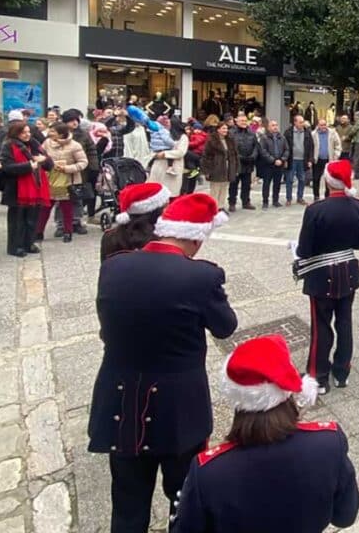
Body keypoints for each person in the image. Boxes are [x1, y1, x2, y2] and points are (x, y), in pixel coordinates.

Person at [88, 193, 237, 533]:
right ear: (196, 238)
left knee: (127, 502)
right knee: (183, 498)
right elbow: (226, 326)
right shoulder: (201, 277)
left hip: (122, 400)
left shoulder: (113, 265)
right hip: (179, 407)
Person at [172, 335, 357, 532]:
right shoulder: (329, 444)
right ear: (288, 391)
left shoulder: (208, 472)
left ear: (237, 399)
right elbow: (345, 516)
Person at [295, 160, 359, 394]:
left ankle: (318, 377)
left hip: (321, 274)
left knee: (320, 325)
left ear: (327, 181)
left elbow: (304, 250)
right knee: (345, 321)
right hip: (348, 272)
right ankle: (342, 372)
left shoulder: (315, 210)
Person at [0, 121, 53, 258]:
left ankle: (29, 242)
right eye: (23, 132)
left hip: (36, 187)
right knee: (17, 220)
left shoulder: (35, 144)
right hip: (17, 188)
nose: (27, 135)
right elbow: (7, 167)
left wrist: (44, 160)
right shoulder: (8, 145)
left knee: (32, 219)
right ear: (15, 133)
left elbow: (49, 164)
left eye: (28, 132)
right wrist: (28, 166)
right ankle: (15, 246)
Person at [39, 123, 88, 243]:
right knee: (45, 207)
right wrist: (46, 164)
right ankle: (38, 232)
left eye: (53, 131)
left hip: (68, 181)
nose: (50, 133)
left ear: (61, 134)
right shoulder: (46, 143)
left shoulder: (74, 145)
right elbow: (40, 157)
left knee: (67, 208)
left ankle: (68, 232)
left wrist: (67, 168)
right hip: (50, 179)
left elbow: (83, 162)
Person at [100, 182, 170, 261]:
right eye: (166, 206)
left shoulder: (109, 236)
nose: (170, 209)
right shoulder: (163, 240)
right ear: (153, 212)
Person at [61, 110, 99, 231]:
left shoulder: (83, 134)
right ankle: (62, 225)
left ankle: (77, 221)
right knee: (62, 198)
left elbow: (92, 151)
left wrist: (94, 167)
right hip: (61, 170)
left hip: (80, 170)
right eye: (71, 120)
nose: (75, 123)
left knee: (78, 196)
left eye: (76, 120)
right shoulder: (59, 133)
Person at [146, 117, 189, 201]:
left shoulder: (183, 137)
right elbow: (153, 148)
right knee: (156, 194)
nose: (166, 126)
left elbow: (180, 152)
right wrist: (154, 155)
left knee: (170, 194)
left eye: (168, 124)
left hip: (173, 169)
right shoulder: (162, 134)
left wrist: (165, 154)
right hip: (159, 166)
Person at [200, 121, 238, 211]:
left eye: (226, 128)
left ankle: (220, 206)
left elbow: (235, 155)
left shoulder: (230, 140)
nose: (225, 130)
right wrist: (207, 171)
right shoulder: (211, 140)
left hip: (227, 167)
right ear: (218, 130)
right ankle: (213, 208)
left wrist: (235, 167)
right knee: (215, 189)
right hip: (215, 168)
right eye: (223, 128)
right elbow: (206, 156)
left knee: (224, 188)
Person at [228, 112, 259, 212]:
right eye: (242, 121)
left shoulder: (251, 133)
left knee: (246, 184)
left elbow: (256, 146)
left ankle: (246, 202)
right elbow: (230, 148)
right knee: (234, 185)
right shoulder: (231, 133)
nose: (244, 122)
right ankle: (232, 203)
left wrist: (253, 156)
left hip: (248, 163)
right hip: (237, 163)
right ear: (236, 121)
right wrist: (239, 157)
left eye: (245, 121)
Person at [257, 120, 289, 208]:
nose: (275, 127)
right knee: (266, 183)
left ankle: (275, 200)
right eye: (273, 125)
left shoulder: (282, 137)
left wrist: (282, 160)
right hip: (268, 165)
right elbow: (263, 151)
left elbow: (287, 150)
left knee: (277, 184)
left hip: (279, 164)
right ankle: (265, 201)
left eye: (276, 125)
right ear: (268, 127)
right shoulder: (264, 138)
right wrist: (273, 160)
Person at [283, 114, 314, 206]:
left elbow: (311, 147)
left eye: (303, 122)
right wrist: (284, 159)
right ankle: (289, 198)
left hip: (303, 160)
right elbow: (284, 146)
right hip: (291, 160)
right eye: (300, 122)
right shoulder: (288, 132)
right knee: (289, 180)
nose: (302, 124)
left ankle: (300, 198)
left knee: (302, 179)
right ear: (295, 122)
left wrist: (310, 160)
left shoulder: (307, 132)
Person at [310, 118, 341, 200]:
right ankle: (316, 196)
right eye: (321, 125)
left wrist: (336, 156)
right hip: (317, 160)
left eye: (324, 124)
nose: (323, 126)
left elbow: (338, 146)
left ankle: (327, 196)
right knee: (316, 178)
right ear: (318, 125)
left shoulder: (333, 133)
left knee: (328, 179)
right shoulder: (313, 134)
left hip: (329, 160)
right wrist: (311, 158)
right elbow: (310, 147)